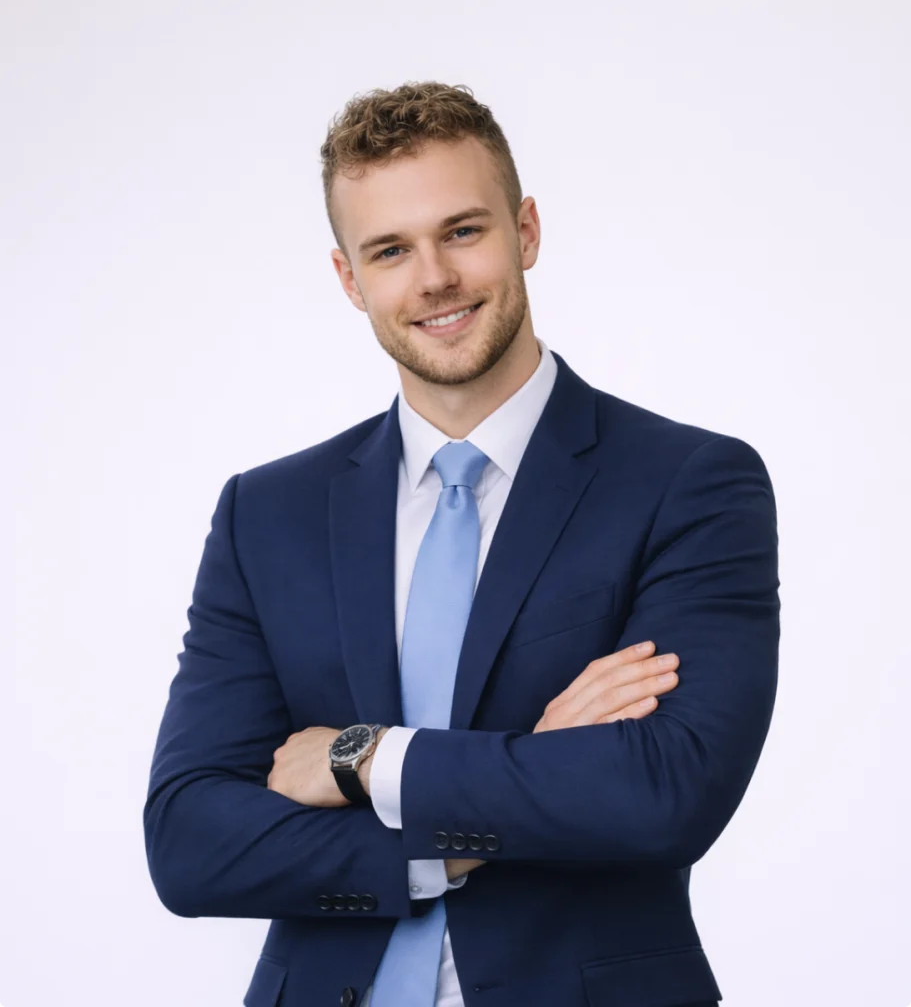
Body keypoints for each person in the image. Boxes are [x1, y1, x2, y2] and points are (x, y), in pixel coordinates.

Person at [144, 81, 780, 1007]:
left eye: (463, 231)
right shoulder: (267, 514)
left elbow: (663, 794)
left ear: (525, 230)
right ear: (348, 278)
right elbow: (192, 842)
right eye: (390, 250)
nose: (432, 277)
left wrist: (363, 758)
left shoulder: (686, 483)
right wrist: (502, 790)